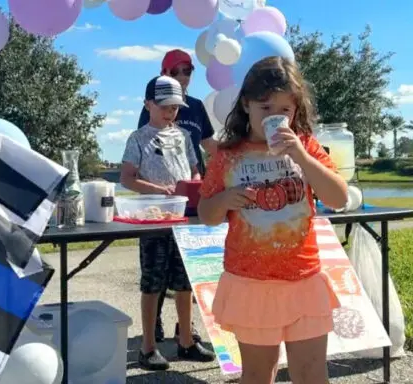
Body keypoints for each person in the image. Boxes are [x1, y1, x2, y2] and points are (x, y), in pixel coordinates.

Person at [198, 56, 348, 384]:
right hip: (251, 284)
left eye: (285, 110)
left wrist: (302, 157)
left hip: (303, 281)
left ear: (296, 111)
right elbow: (206, 215)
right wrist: (224, 200)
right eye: (265, 108)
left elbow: (338, 198)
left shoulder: (306, 146)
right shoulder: (228, 155)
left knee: (311, 375)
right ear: (247, 106)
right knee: (257, 375)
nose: (275, 117)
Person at [121, 75, 215, 371]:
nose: (170, 113)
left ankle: (186, 339)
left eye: (175, 107)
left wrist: (194, 186)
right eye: (164, 106)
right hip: (153, 220)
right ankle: (148, 347)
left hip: (183, 217)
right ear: (148, 104)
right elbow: (127, 178)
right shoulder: (138, 138)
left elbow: (195, 171)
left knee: (184, 282)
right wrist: (161, 191)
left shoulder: (184, 137)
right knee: (153, 281)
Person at [138, 49, 217, 343]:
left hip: (191, 203)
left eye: (188, 71)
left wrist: (239, 160)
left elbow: (209, 148)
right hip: (157, 208)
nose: (183, 77)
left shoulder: (195, 107)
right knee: (156, 269)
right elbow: (140, 158)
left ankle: (186, 332)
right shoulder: (149, 114)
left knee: (186, 271)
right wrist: (158, 189)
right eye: (176, 71)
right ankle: (152, 328)